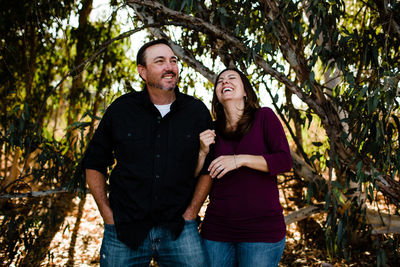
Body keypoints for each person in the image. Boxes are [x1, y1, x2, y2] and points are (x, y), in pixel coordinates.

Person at [83, 39, 213, 266]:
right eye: (160, 61)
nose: (169, 66)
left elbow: (209, 168)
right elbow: (94, 162)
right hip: (125, 230)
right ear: (142, 71)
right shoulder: (121, 110)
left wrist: (192, 212)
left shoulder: (196, 111)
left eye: (173, 60)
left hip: (179, 228)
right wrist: (107, 215)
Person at [197, 68, 292, 267]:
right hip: (217, 230)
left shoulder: (264, 117)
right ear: (217, 95)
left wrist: (240, 159)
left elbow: (284, 161)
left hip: (261, 230)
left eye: (232, 78)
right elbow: (198, 176)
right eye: (220, 81)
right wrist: (202, 152)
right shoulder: (212, 130)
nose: (224, 82)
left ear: (245, 92)